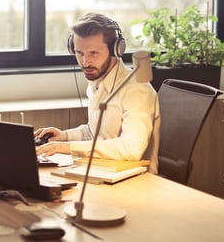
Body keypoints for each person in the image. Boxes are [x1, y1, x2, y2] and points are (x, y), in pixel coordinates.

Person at [35, 12, 160, 174]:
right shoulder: (97, 83)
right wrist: (65, 136)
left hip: (136, 182)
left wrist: (68, 147)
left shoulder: (137, 89)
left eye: (93, 53)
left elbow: (132, 148)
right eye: (79, 53)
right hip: (102, 171)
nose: (85, 62)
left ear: (116, 49)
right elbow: (96, 133)